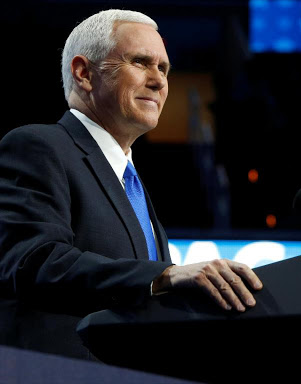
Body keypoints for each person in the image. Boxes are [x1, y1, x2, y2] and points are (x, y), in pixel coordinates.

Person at [0, 9, 262, 317]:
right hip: (57, 364)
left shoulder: (132, 184)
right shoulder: (38, 147)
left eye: (164, 69)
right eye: (140, 62)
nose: (159, 81)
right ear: (84, 72)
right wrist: (164, 276)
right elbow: (32, 261)